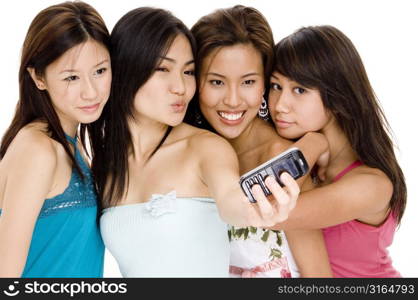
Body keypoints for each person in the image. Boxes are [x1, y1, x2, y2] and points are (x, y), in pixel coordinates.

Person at [93, 7, 299, 278]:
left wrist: (253, 211)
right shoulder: (105, 163)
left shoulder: (205, 147)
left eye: (188, 72)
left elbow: (229, 198)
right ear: (126, 69)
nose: (180, 87)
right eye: (163, 68)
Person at [184, 5, 332, 278]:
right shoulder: (189, 148)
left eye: (248, 82)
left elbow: (319, 278)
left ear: (264, 83)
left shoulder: (284, 161)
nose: (233, 100)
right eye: (217, 82)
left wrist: (315, 142)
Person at [268, 25, 406, 277]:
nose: (280, 105)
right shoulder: (311, 165)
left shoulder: (371, 184)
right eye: (275, 86)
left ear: (337, 97)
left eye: (299, 90)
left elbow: (268, 214)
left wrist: (312, 144)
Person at [0, 1, 111, 277]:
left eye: (100, 71)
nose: (91, 92)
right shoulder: (38, 149)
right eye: (71, 77)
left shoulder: (72, 146)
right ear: (38, 77)